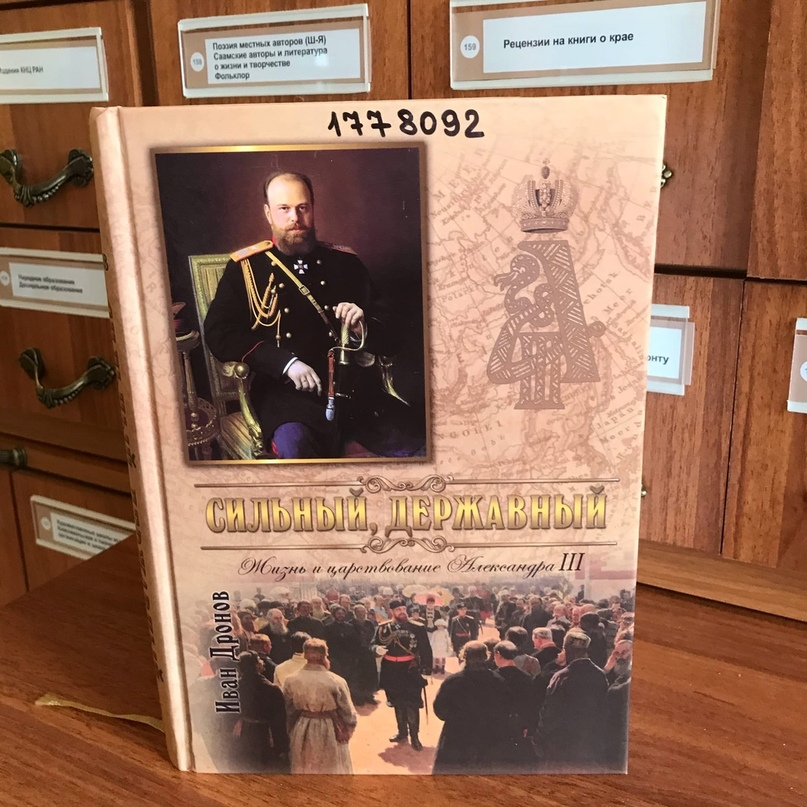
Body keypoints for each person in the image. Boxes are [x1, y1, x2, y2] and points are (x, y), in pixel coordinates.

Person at [204, 170, 417, 459]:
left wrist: (362, 327)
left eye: (302, 207)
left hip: (355, 395)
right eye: (284, 209)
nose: (295, 217)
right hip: (286, 396)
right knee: (298, 454)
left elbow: (392, 335)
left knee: (419, 445)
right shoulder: (246, 268)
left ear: (313, 208)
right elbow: (220, 332)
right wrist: (285, 363)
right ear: (268, 213)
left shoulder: (345, 262)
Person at [537, 629, 609, 772]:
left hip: (562, 744)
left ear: (566, 649)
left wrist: (540, 738)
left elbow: (549, 710)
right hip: (588, 742)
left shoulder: (561, 676)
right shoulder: (600, 675)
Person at [432, 641, 509, 774]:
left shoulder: (453, 681)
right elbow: (505, 709)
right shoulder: (498, 681)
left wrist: (456, 717)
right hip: (488, 738)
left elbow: (439, 709)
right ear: (486, 656)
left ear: (464, 656)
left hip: (457, 737)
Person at [283, 638, 358, 774]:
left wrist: (291, 729)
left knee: (305, 766)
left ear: (305, 655)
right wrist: (348, 730)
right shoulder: (336, 681)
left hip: (302, 728)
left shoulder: (291, 680)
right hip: (330, 729)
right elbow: (348, 712)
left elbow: (288, 709)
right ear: (325, 655)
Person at [373, 598, 433, 751]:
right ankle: (402, 732)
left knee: (412, 704)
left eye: (403, 609)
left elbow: (426, 649)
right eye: (398, 610)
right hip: (391, 670)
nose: (402, 612)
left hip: (410, 670)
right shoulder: (383, 628)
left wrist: (426, 670)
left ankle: (415, 736)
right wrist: (376, 649)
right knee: (398, 703)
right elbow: (373, 644)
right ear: (392, 611)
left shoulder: (417, 627)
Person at [233, 651, 289, 770]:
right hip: (265, 736)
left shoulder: (234, 687)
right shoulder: (272, 689)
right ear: (257, 665)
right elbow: (280, 721)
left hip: (242, 734)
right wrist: (282, 747)